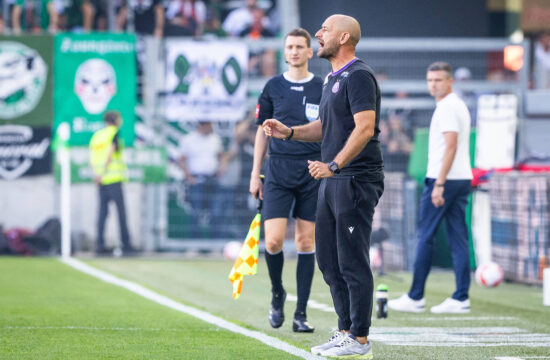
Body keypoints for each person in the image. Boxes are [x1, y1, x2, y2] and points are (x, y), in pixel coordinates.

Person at [262, 15, 383, 358]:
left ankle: (360, 338)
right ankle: (345, 330)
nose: (317, 34)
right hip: (333, 179)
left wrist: (334, 164)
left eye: (325, 30)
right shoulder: (334, 77)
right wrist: (289, 131)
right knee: (328, 261)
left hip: (354, 179)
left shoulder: (358, 75)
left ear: (344, 37)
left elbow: (365, 127)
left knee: (351, 260)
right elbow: (323, 126)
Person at [250, 28, 323, 333]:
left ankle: (301, 313)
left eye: (299, 47)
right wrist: (256, 173)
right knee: (274, 240)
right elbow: (261, 130)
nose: (294, 51)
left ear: (310, 52)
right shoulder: (273, 86)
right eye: (289, 46)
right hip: (277, 171)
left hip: (311, 172)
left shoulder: (322, 86)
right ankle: (277, 293)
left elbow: (329, 130)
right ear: (285, 51)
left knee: (306, 241)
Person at [388, 61, 473, 314]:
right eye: (430, 80)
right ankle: (460, 297)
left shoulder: (448, 107)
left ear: (450, 82)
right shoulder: (455, 105)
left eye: (438, 80)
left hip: (444, 180)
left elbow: (451, 146)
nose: (433, 84)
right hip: (460, 178)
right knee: (458, 237)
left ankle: (415, 297)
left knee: (425, 235)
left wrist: (439, 183)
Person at [89, 111, 133, 255]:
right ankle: (126, 245)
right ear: (114, 120)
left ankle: (99, 245)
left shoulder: (97, 136)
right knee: (121, 212)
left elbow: (92, 158)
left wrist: (96, 175)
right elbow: (110, 154)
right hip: (113, 179)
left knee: (102, 213)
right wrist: (103, 172)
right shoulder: (113, 133)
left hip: (100, 180)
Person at [178, 121, 223, 238]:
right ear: (202, 125)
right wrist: (189, 177)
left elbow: (221, 157)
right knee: (196, 213)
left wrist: (219, 173)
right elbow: (181, 160)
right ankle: (195, 243)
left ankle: (215, 243)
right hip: (196, 181)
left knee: (215, 212)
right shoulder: (189, 139)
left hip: (212, 180)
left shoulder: (215, 139)